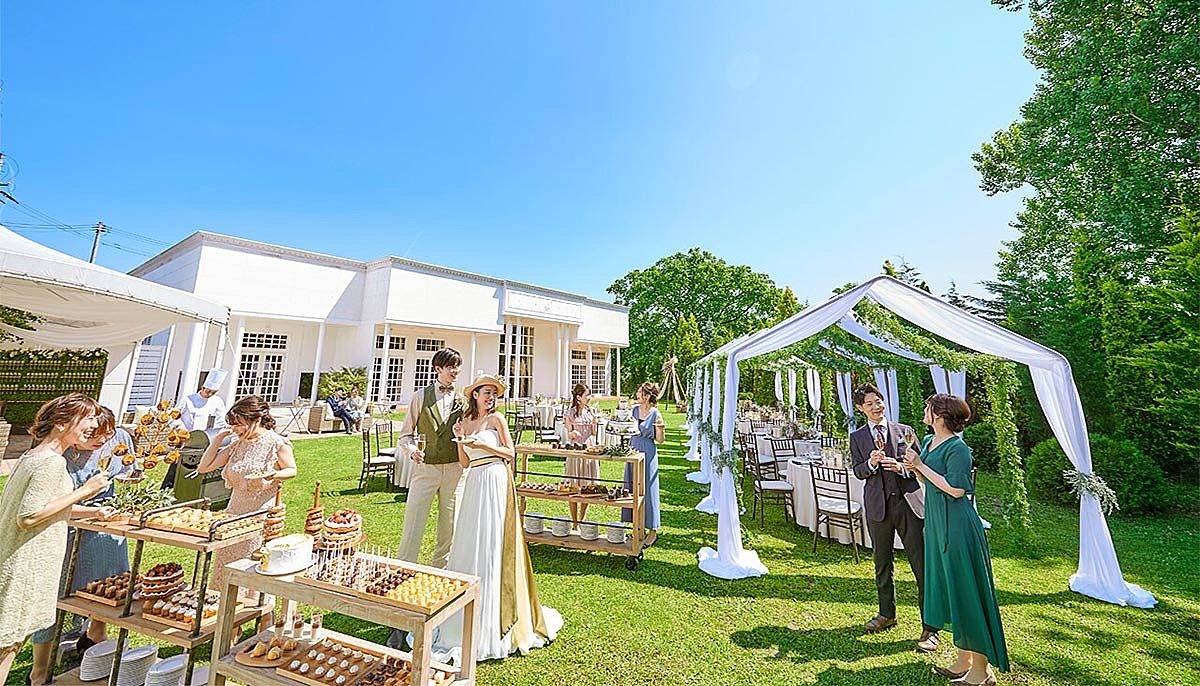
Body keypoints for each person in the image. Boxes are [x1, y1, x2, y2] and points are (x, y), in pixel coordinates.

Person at [438, 374, 562, 661]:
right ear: (475, 395)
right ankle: (464, 616)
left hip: (495, 479)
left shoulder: (497, 419)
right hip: (475, 482)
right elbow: (464, 462)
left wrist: (484, 446)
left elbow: (510, 452)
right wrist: (460, 440)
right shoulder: (465, 422)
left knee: (494, 542)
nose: (491, 397)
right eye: (487, 392)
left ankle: (498, 618)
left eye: (494, 393)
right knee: (471, 541)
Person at [0, 394, 111, 684]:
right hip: (25, 567)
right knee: (7, 647)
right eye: (87, 418)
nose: (93, 425)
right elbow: (28, 517)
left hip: (15, 560)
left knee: (10, 645)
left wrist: (91, 511)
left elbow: (47, 508)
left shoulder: (32, 456)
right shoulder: (51, 463)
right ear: (61, 423)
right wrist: (86, 491)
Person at [903, 394, 1009, 684]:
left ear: (939, 415)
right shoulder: (928, 441)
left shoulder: (958, 449)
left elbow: (956, 490)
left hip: (958, 527)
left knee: (966, 593)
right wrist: (916, 468)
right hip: (938, 523)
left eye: (928, 407)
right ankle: (964, 660)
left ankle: (982, 670)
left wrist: (920, 465)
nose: (925, 410)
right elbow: (928, 482)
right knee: (951, 591)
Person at [29, 407, 132, 683]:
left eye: (108, 434)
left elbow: (128, 471)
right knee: (56, 600)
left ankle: (95, 637)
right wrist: (93, 510)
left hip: (108, 532)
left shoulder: (119, 439)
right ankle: (39, 671)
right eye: (95, 435)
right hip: (68, 532)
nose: (103, 441)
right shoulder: (59, 456)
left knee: (109, 588)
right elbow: (50, 508)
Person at [848, 383, 938, 652]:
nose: (877, 407)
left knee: (921, 565)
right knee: (882, 563)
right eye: (870, 404)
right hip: (878, 508)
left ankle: (930, 628)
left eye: (879, 401)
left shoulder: (905, 431)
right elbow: (858, 471)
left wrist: (901, 468)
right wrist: (871, 463)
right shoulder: (857, 437)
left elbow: (922, 468)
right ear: (861, 408)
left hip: (909, 506)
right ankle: (886, 614)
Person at [197, 395, 297, 594]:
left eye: (239, 424)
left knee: (251, 565)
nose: (235, 429)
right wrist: (218, 439)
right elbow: (204, 467)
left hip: (260, 514)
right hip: (233, 513)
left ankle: (251, 607)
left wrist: (274, 474)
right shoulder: (237, 444)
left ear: (256, 419)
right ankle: (225, 609)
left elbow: (292, 470)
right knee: (227, 564)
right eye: (232, 424)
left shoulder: (277, 443)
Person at [396, 347, 465, 568]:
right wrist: (412, 450)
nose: (455, 371)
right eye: (451, 367)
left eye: (458, 367)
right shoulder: (419, 396)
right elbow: (405, 435)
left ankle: (442, 570)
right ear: (438, 368)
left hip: (455, 469)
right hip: (425, 469)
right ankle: (404, 567)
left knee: (449, 525)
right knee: (414, 520)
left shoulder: (463, 399)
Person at [620, 382, 664, 538]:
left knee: (648, 489)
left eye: (639, 392)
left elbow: (660, 440)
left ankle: (652, 531)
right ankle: (637, 528)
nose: (637, 395)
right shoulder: (634, 410)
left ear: (646, 396)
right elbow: (626, 428)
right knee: (632, 487)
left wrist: (661, 428)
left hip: (648, 452)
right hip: (633, 449)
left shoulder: (656, 414)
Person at [563, 383, 600, 528]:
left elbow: (594, 433)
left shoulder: (591, 412)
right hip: (576, 451)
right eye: (587, 395)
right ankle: (574, 523)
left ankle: (581, 520)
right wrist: (573, 433)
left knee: (587, 487)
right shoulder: (570, 413)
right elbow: (568, 433)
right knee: (573, 487)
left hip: (589, 450)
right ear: (578, 397)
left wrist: (595, 422)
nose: (589, 397)